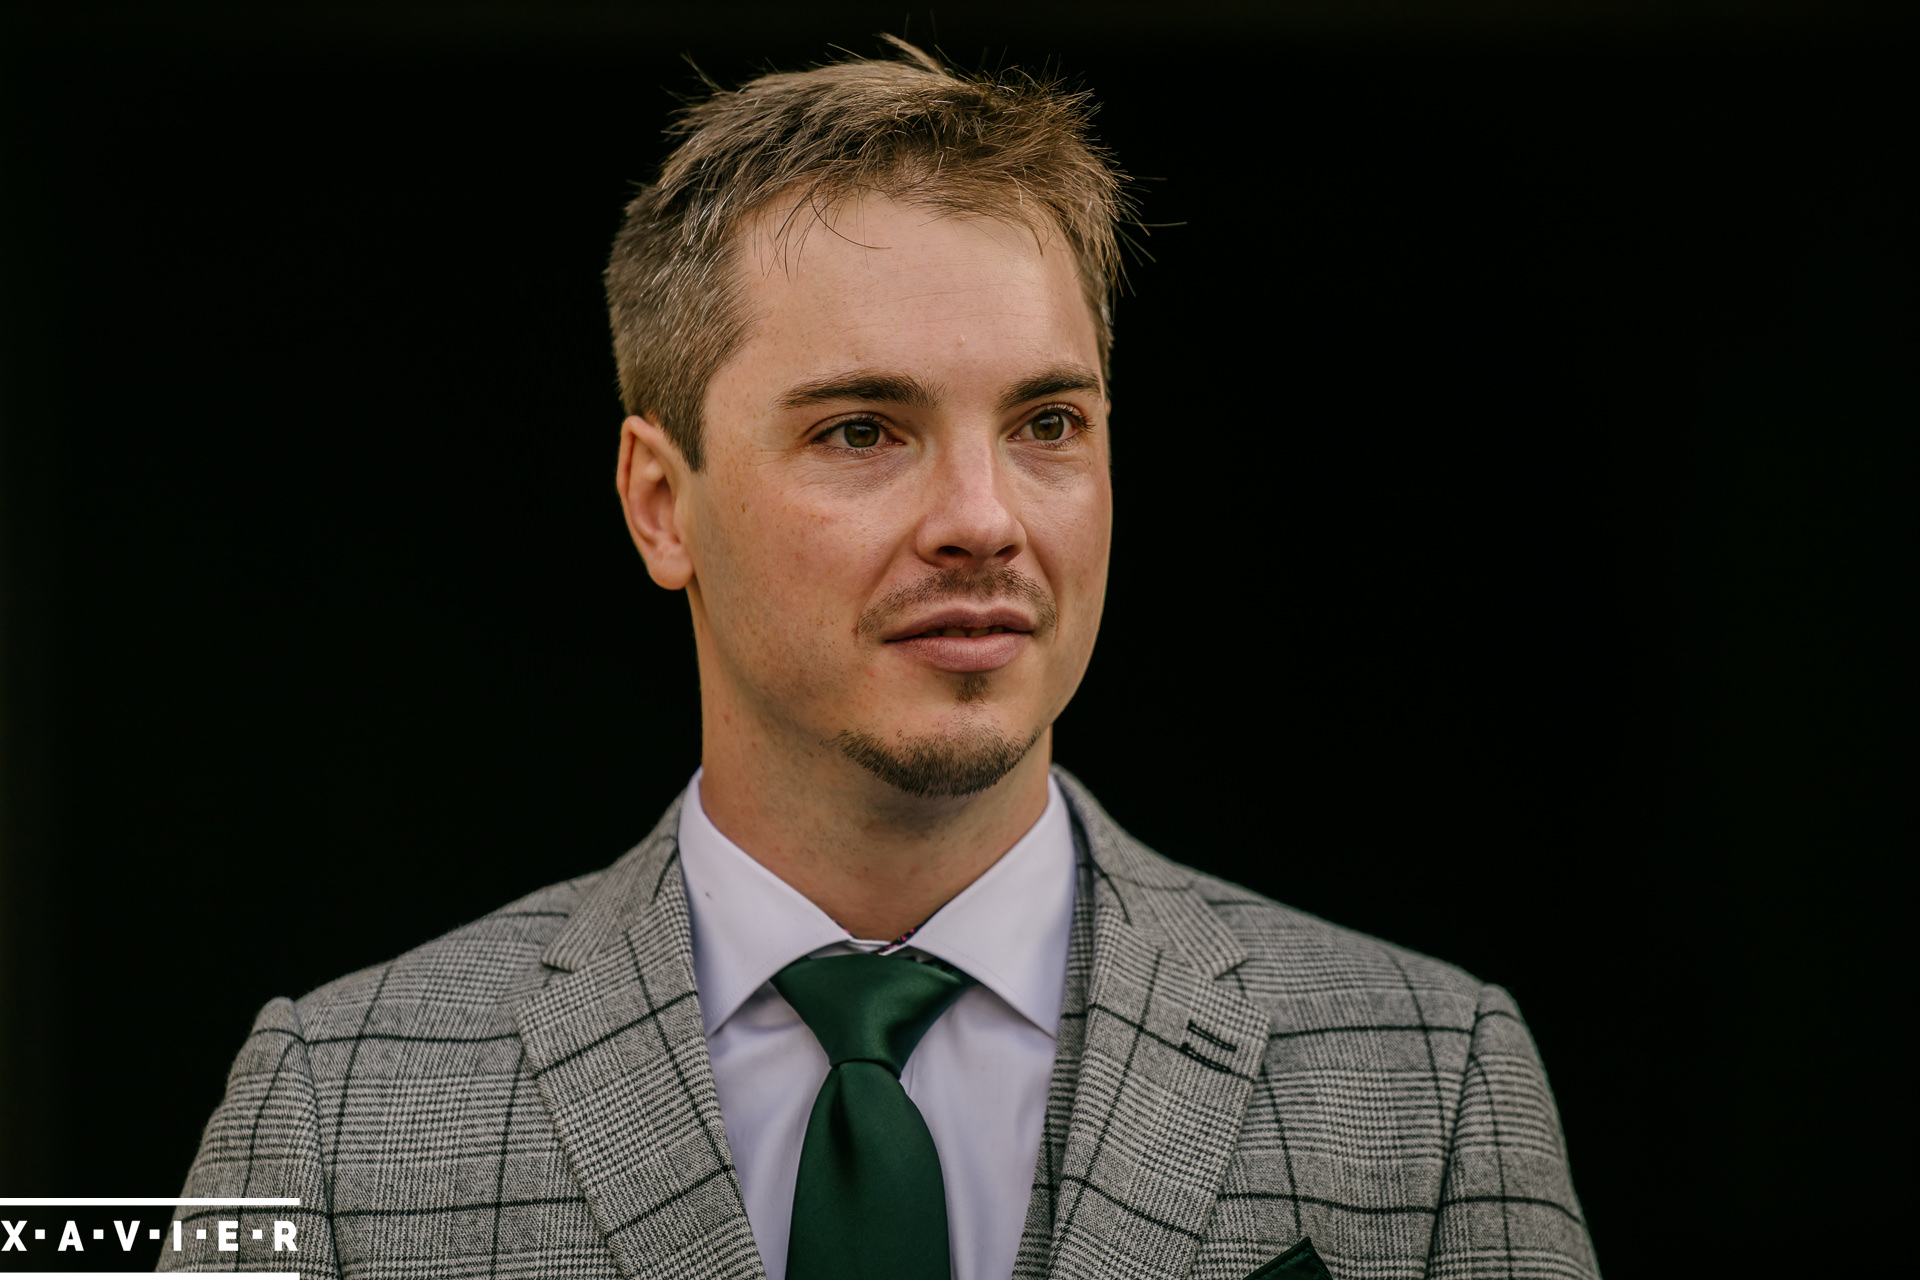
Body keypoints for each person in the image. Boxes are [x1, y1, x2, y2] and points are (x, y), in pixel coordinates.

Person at [165, 39, 1598, 1280]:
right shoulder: (334, 1117)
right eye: (862, 430)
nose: (983, 519)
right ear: (662, 504)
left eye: (1048, 425)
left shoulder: (1429, 1084)